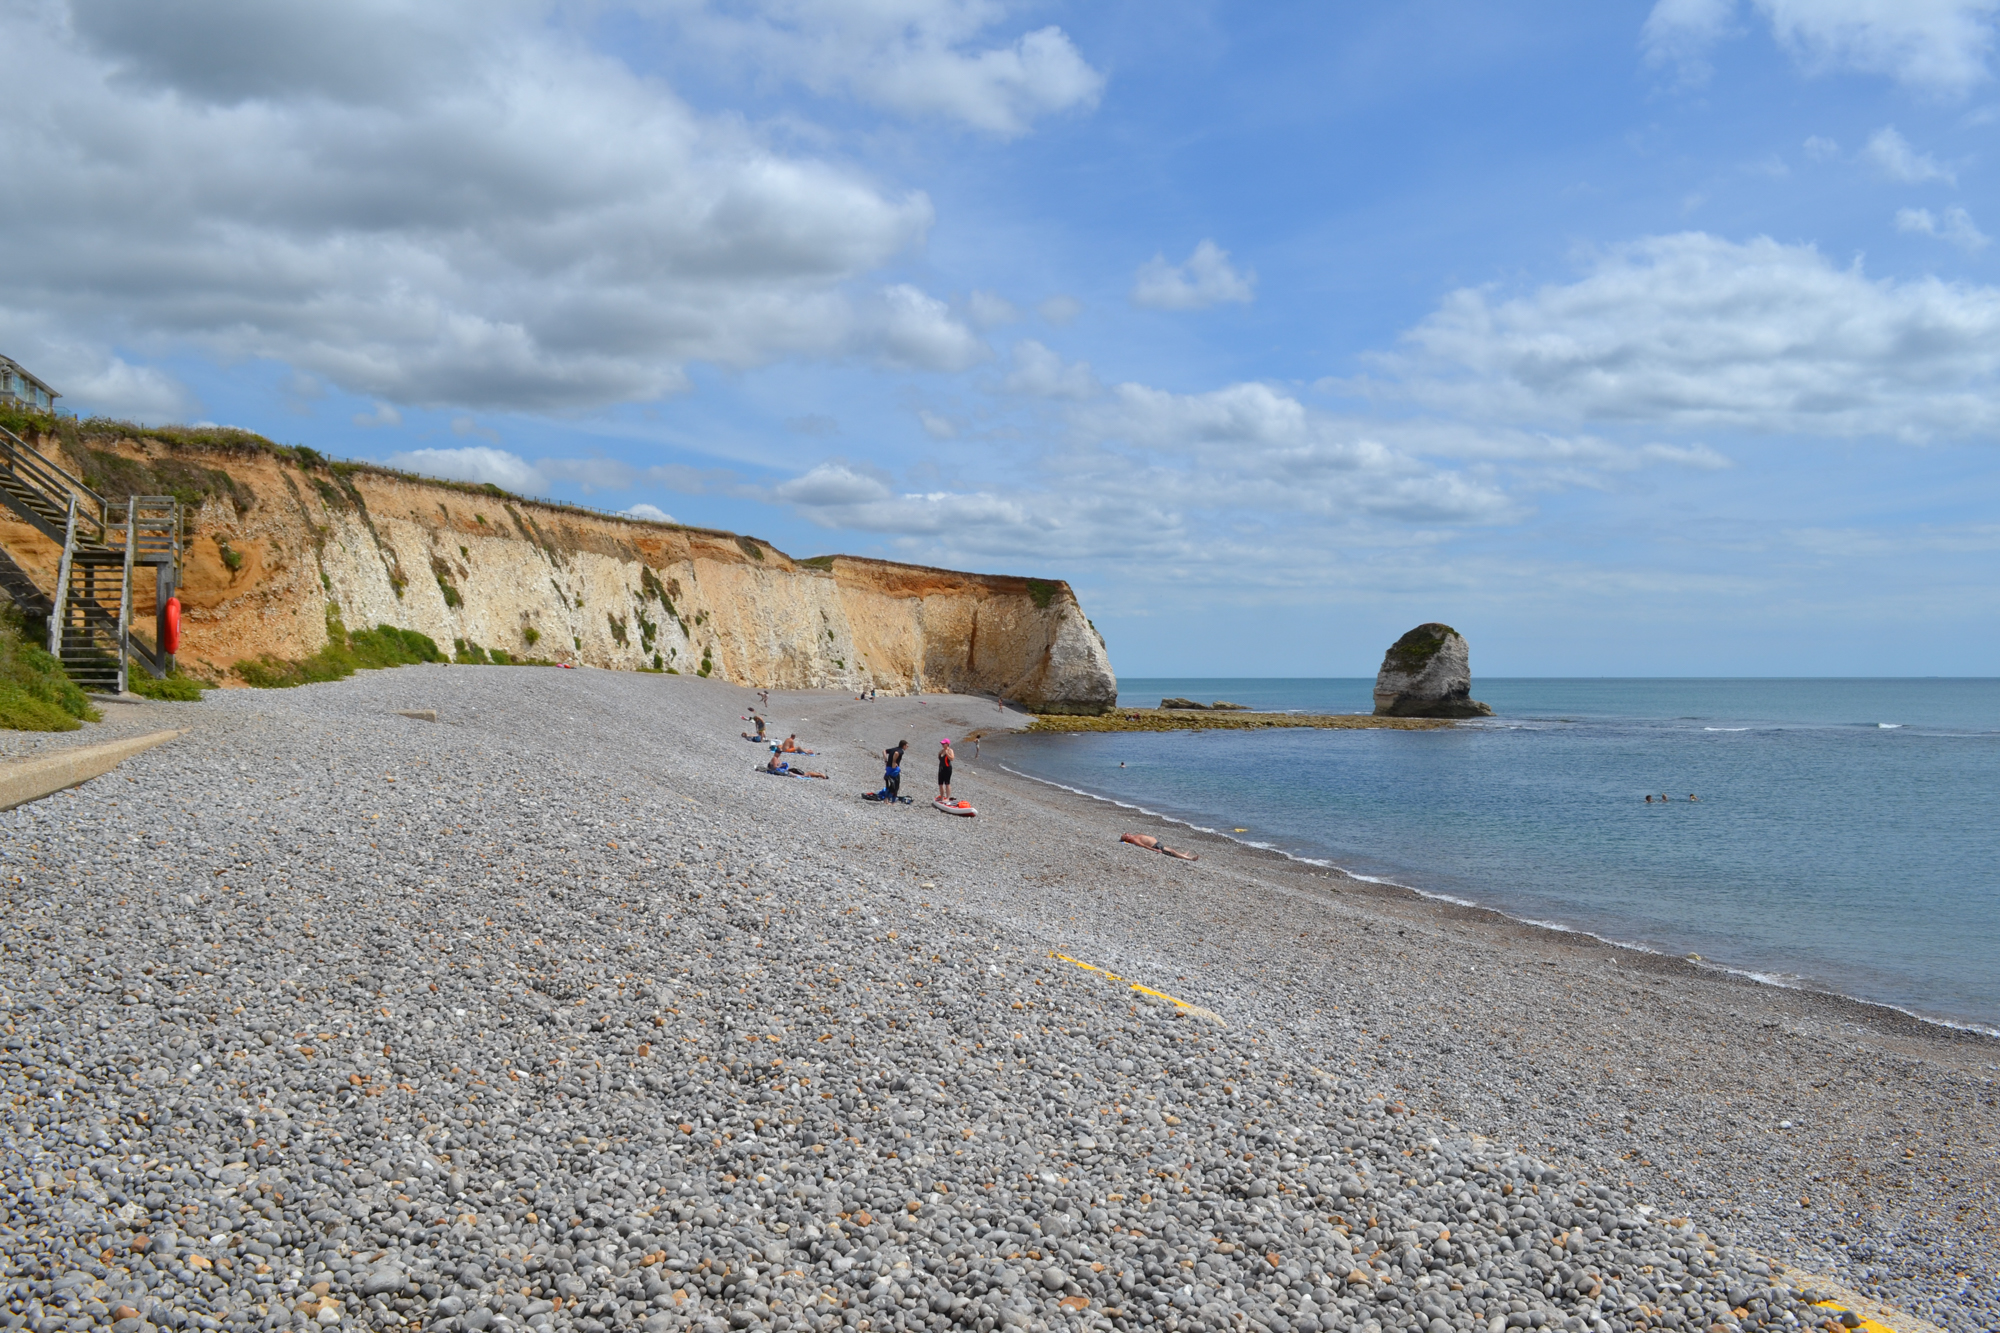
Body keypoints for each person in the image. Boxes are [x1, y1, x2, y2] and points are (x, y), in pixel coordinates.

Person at [883, 739, 907, 804]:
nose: (907, 747)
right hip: (894, 770)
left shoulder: (894, 749)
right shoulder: (901, 751)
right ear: (904, 746)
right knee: (896, 785)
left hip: (888, 768)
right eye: (906, 746)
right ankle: (893, 802)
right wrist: (894, 762)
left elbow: (884, 751)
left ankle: (886, 800)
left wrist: (886, 760)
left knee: (889, 784)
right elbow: (896, 753)